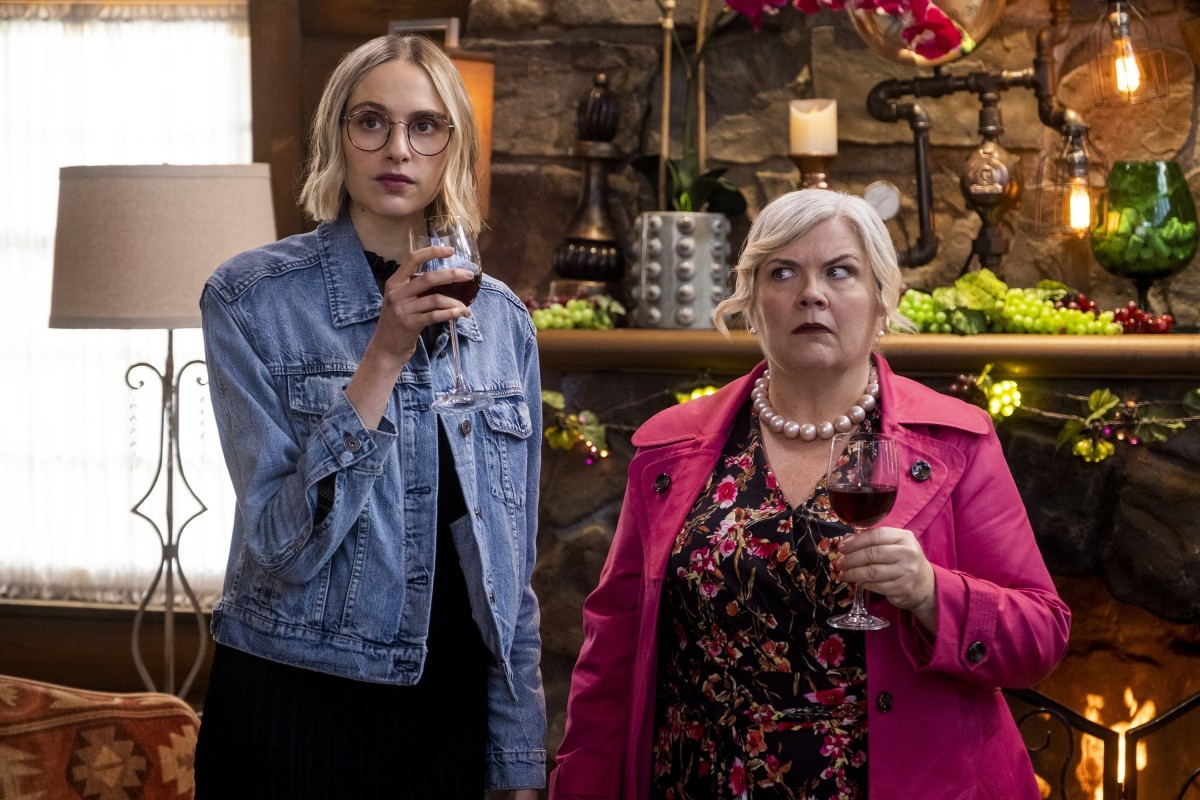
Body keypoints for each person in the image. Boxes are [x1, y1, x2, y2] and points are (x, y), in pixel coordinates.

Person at [549, 189, 1071, 799]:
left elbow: (1042, 635)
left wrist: (932, 594)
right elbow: (610, 655)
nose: (811, 293)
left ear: (883, 300)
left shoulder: (956, 440)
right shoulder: (672, 447)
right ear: (751, 304)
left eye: (840, 271)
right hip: (698, 781)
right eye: (783, 272)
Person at [194, 34, 546, 799]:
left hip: (447, 713)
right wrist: (384, 352)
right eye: (371, 121)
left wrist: (520, 750)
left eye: (425, 126)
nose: (398, 148)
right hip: (294, 701)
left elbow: (509, 571)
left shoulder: (504, 323)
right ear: (338, 137)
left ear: (454, 146)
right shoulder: (250, 301)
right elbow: (281, 545)